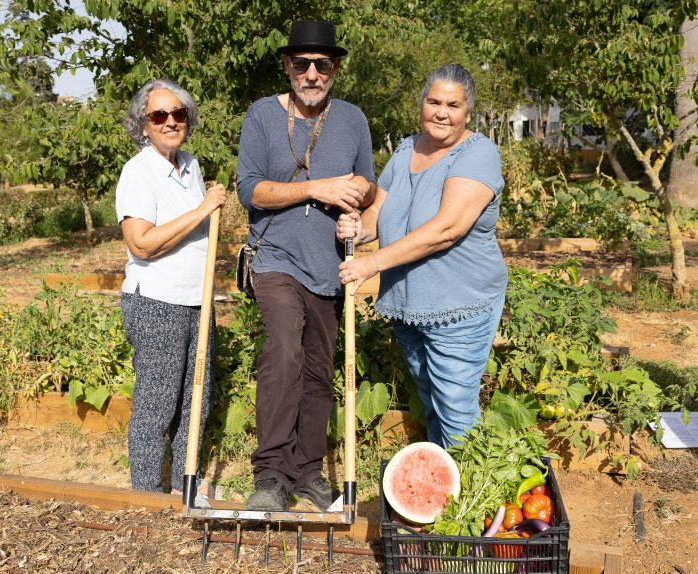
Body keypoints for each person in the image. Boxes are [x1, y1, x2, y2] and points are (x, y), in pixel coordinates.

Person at [236, 20, 376, 511]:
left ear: (335, 68)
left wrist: (357, 205)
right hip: (275, 259)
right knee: (283, 353)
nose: (312, 73)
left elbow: (369, 186)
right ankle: (270, 475)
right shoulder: (260, 116)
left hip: (330, 266)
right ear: (287, 66)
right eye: (302, 63)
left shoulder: (354, 120)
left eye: (322, 64)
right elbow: (249, 190)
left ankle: (307, 470)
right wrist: (315, 188)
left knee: (318, 369)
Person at [337, 64, 507, 448]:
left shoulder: (477, 154)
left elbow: (447, 229)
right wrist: (358, 230)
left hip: (458, 304)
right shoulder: (406, 148)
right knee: (431, 401)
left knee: (456, 409)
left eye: (453, 105)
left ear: (468, 112)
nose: (442, 112)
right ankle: (441, 492)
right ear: (422, 104)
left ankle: (469, 500)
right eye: (434, 101)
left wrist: (371, 263)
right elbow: (379, 212)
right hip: (410, 304)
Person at [116, 79, 227, 493]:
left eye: (179, 114)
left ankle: (186, 487)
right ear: (143, 124)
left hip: (197, 300)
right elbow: (141, 243)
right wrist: (203, 209)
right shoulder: (139, 171)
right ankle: (145, 495)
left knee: (194, 402)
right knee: (158, 403)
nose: (170, 122)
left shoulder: (191, 165)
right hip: (158, 303)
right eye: (159, 115)